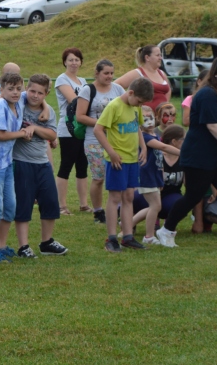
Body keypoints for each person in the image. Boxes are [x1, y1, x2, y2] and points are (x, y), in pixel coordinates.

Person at [156, 56, 217, 249]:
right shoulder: (207, 94)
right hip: (199, 157)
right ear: (215, 74)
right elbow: (213, 126)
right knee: (193, 196)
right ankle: (166, 231)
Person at [0, 72, 34, 262]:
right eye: (10, 89)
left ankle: (2, 245)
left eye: (19, 88)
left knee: (10, 205)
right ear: (1, 90)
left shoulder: (20, 99)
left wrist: (45, 109)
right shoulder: (0, 105)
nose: (16, 92)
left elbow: (35, 94)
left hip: (6, 162)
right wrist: (22, 133)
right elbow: (0, 135)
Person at [93, 78, 153, 252]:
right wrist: (111, 152)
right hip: (117, 161)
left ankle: (128, 236)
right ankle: (111, 239)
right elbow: (98, 129)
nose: (140, 105)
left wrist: (143, 147)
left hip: (132, 159)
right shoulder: (114, 106)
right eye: (139, 101)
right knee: (115, 198)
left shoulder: (136, 106)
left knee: (129, 197)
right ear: (131, 93)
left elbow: (137, 128)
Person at [12, 74, 68, 258]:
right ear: (26, 89)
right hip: (21, 162)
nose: (35, 96)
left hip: (42, 162)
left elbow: (52, 135)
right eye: (32, 91)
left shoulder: (49, 110)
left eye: (40, 93)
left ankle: (47, 242)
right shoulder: (18, 102)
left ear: (46, 94)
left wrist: (35, 128)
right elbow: (1, 97)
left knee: (51, 202)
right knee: (24, 204)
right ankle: (23, 246)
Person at [75, 59, 125, 225]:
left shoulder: (118, 89)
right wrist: (103, 123)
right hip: (94, 140)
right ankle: (98, 211)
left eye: (112, 73)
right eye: (106, 73)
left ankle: (117, 208)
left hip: (116, 139)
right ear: (97, 73)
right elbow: (80, 116)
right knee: (98, 177)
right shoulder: (87, 90)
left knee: (118, 173)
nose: (110, 76)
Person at [130, 106, 181, 244]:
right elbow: (164, 148)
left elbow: (160, 162)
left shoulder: (155, 136)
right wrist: (183, 153)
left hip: (154, 177)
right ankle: (148, 236)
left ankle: (127, 225)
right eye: (145, 119)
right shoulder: (145, 137)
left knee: (154, 206)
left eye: (151, 117)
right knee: (155, 206)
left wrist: (161, 179)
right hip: (147, 176)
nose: (149, 122)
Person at [54, 47, 89, 214]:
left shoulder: (83, 81)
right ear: (65, 62)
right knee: (66, 164)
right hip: (68, 128)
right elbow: (74, 101)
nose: (74, 63)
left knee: (82, 165)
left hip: (83, 127)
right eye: (71, 60)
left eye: (77, 59)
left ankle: (84, 204)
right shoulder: (62, 79)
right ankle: (61, 205)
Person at [114, 45, 171, 111]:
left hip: (161, 118)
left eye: (160, 55)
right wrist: (127, 101)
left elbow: (168, 90)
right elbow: (115, 85)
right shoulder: (138, 73)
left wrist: (165, 105)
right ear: (147, 58)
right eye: (157, 55)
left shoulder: (162, 73)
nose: (160, 58)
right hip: (144, 117)